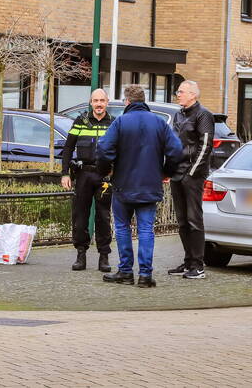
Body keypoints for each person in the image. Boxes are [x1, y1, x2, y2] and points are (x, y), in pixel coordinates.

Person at [96, 84, 183, 288]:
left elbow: (103, 148)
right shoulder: (159, 123)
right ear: (143, 101)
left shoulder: (121, 122)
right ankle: (145, 275)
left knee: (123, 228)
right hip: (150, 185)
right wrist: (165, 171)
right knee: (146, 230)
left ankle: (126, 272)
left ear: (127, 101)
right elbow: (177, 151)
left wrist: (105, 170)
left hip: (123, 185)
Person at [60, 88, 114, 272]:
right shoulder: (81, 121)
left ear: (107, 102)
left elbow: (121, 150)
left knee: (103, 217)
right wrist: (65, 173)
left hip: (105, 176)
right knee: (80, 216)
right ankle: (80, 254)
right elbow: (68, 148)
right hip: (83, 174)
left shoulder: (114, 123)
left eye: (102, 101)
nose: (99, 104)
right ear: (91, 103)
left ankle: (104, 257)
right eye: (95, 101)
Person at [168, 80, 215, 280]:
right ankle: (188, 261)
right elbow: (172, 142)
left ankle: (198, 264)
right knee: (181, 221)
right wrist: (168, 169)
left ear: (193, 94)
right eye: (178, 91)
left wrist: (192, 173)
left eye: (181, 91)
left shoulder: (203, 115)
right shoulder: (179, 114)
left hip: (192, 174)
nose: (178, 94)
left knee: (194, 219)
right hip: (177, 172)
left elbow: (205, 146)